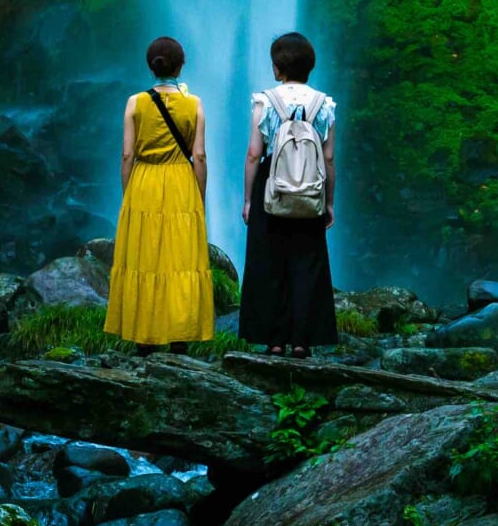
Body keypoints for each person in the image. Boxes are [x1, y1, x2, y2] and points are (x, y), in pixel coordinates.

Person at [104, 35, 215, 350]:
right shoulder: (194, 104)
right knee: (180, 261)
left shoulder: (135, 102)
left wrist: (130, 192)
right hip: (181, 181)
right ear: (180, 67)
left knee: (145, 258)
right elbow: (201, 155)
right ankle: (180, 338)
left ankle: (144, 338)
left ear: (151, 67)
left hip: (144, 180)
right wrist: (200, 197)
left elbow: (127, 155)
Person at [239, 30, 338, 357]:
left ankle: (275, 340)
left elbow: (254, 153)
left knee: (270, 262)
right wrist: (329, 202)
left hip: (272, 185)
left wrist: (249, 200)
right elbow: (328, 158)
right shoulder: (324, 104)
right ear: (309, 67)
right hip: (310, 188)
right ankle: (302, 341)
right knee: (307, 264)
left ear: (278, 68)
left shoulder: (265, 101)